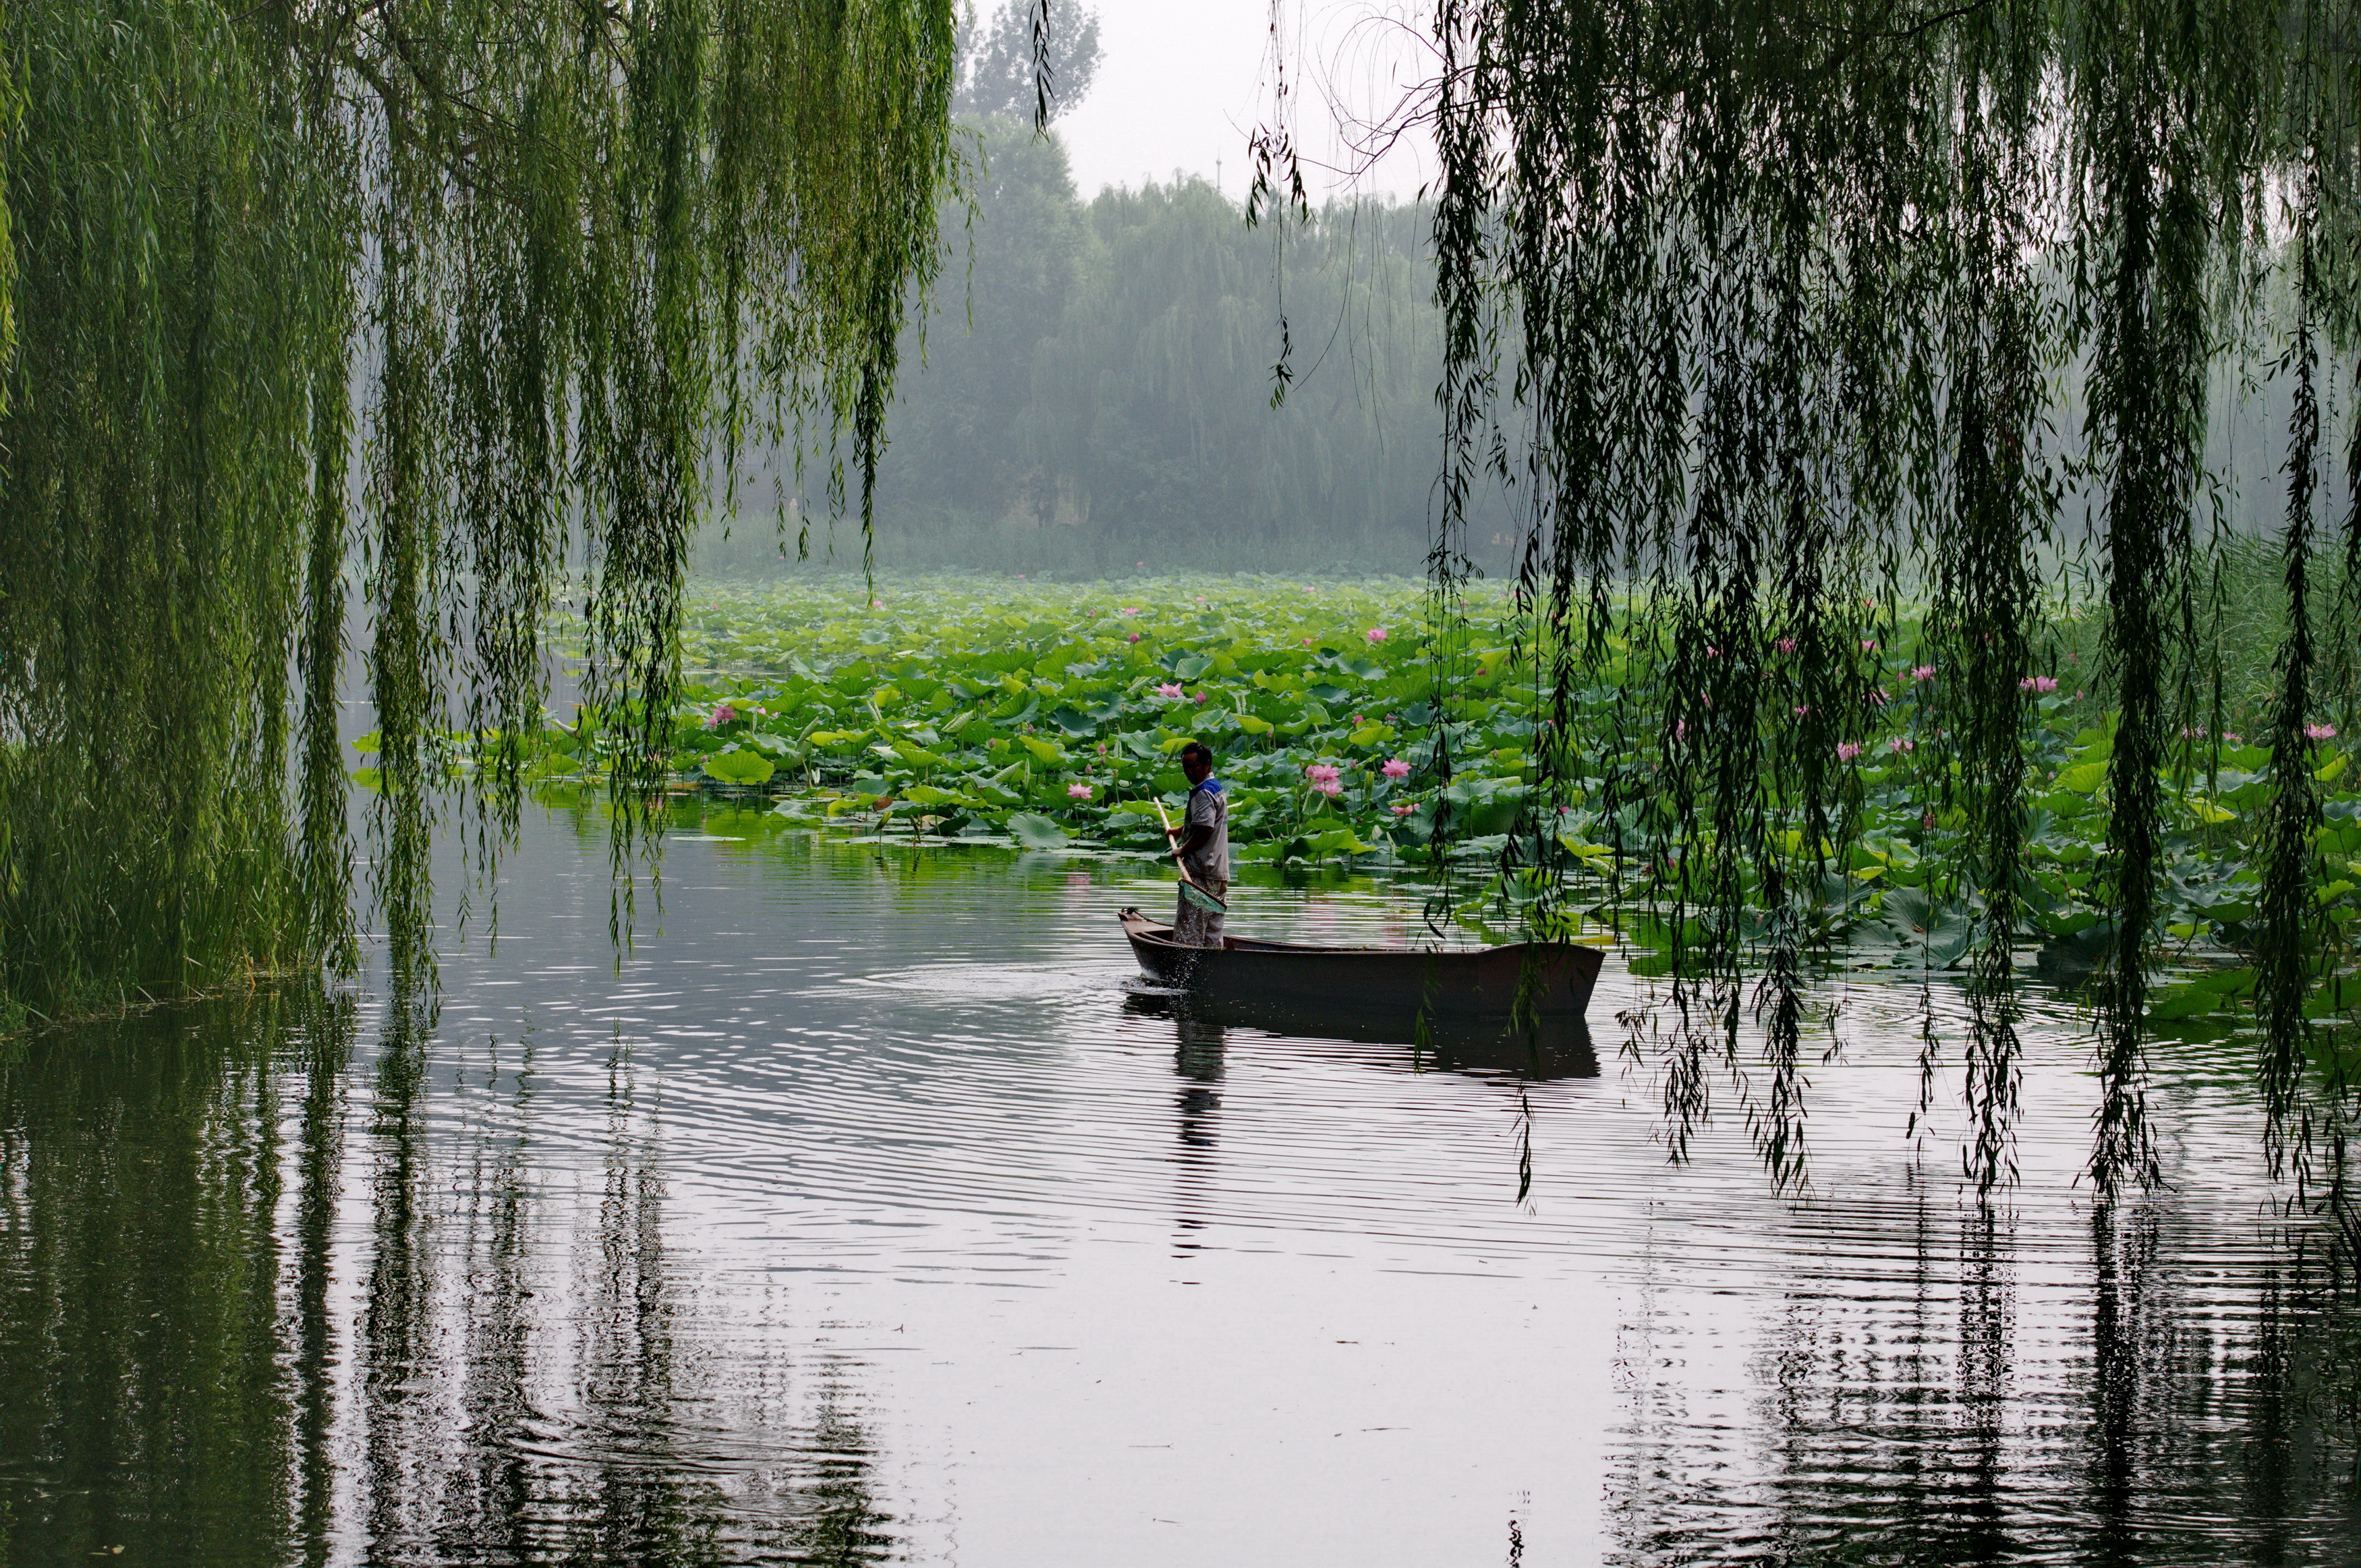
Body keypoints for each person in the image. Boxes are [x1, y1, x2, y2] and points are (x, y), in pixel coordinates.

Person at [1169, 740, 1229, 947]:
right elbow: (1203, 821)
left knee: (1189, 935)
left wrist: (1182, 850)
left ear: (1207, 765)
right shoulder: (1215, 787)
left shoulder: (1203, 792)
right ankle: (1210, 974)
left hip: (1201, 874)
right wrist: (1179, 831)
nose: (1189, 772)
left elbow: (1205, 830)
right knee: (1212, 936)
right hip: (1218, 874)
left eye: (1194, 767)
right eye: (1185, 767)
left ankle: (1184, 977)